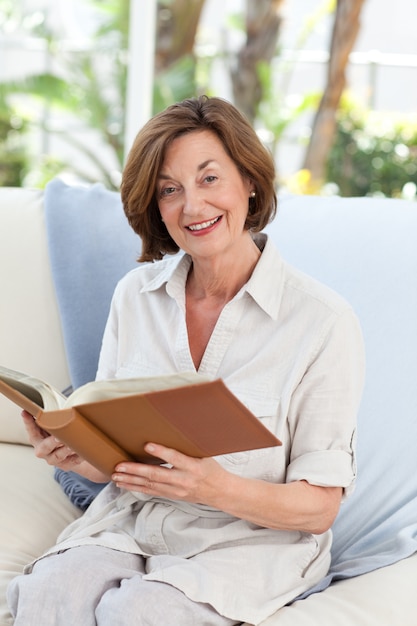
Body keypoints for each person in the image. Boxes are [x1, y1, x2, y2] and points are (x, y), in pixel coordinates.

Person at [7, 95, 365, 626]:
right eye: (169, 190)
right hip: (132, 521)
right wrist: (78, 453)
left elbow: (319, 508)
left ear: (249, 181)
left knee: (139, 611)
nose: (192, 207)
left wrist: (212, 487)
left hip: (250, 544)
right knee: (51, 593)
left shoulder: (322, 321)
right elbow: (120, 462)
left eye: (209, 179)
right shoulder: (135, 297)